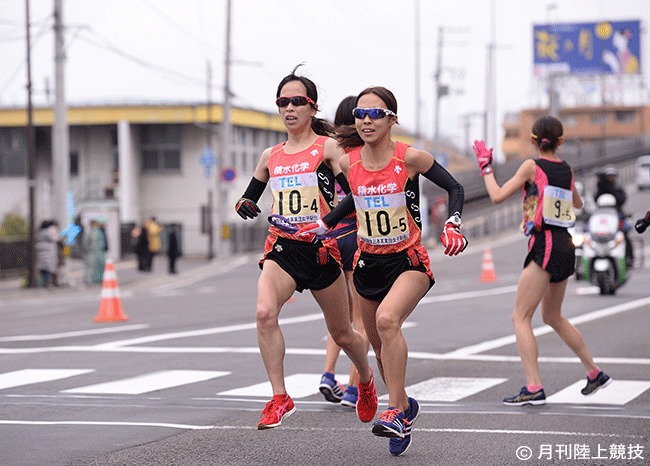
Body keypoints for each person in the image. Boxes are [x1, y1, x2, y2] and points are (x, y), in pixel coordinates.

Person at [298, 86, 468, 456]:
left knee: (389, 322)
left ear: (392, 118)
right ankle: (404, 408)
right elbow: (354, 199)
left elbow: (455, 187)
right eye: (359, 114)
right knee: (378, 347)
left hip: (408, 260)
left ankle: (395, 410)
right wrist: (325, 225)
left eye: (374, 114)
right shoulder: (349, 161)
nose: (365, 121)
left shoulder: (411, 158)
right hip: (367, 263)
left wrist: (453, 224)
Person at [234, 67, 377, 431]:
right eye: (283, 102)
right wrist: (246, 205)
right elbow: (248, 198)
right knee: (265, 313)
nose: (290, 108)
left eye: (298, 101)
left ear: (313, 108)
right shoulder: (270, 156)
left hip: (321, 250)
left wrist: (330, 224)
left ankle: (365, 379)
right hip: (283, 247)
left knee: (343, 333)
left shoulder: (326, 148)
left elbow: (355, 190)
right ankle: (280, 397)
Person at [472, 115, 612, 407]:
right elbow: (578, 204)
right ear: (560, 141)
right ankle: (594, 372)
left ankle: (533, 387)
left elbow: (497, 196)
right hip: (564, 244)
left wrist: (486, 167)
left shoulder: (531, 166)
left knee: (520, 317)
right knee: (552, 316)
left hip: (544, 242)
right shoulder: (567, 169)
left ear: (533, 141)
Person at [318, 96, 369, 408]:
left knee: (337, 319)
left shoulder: (325, 150)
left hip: (329, 236)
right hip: (355, 233)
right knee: (359, 318)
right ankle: (352, 388)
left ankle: (327, 373)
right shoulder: (362, 155)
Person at [35, 220, 58, 287]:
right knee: (48, 269)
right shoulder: (48, 233)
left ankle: (42, 283)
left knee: (42, 270)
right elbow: (54, 239)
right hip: (48, 253)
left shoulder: (39, 233)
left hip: (40, 252)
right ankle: (47, 283)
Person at [83, 219, 106, 284]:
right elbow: (86, 243)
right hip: (91, 252)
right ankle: (88, 280)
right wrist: (89, 250)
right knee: (90, 266)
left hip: (99, 252)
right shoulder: (88, 232)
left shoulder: (98, 231)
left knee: (99, 266)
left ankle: (98, 279)